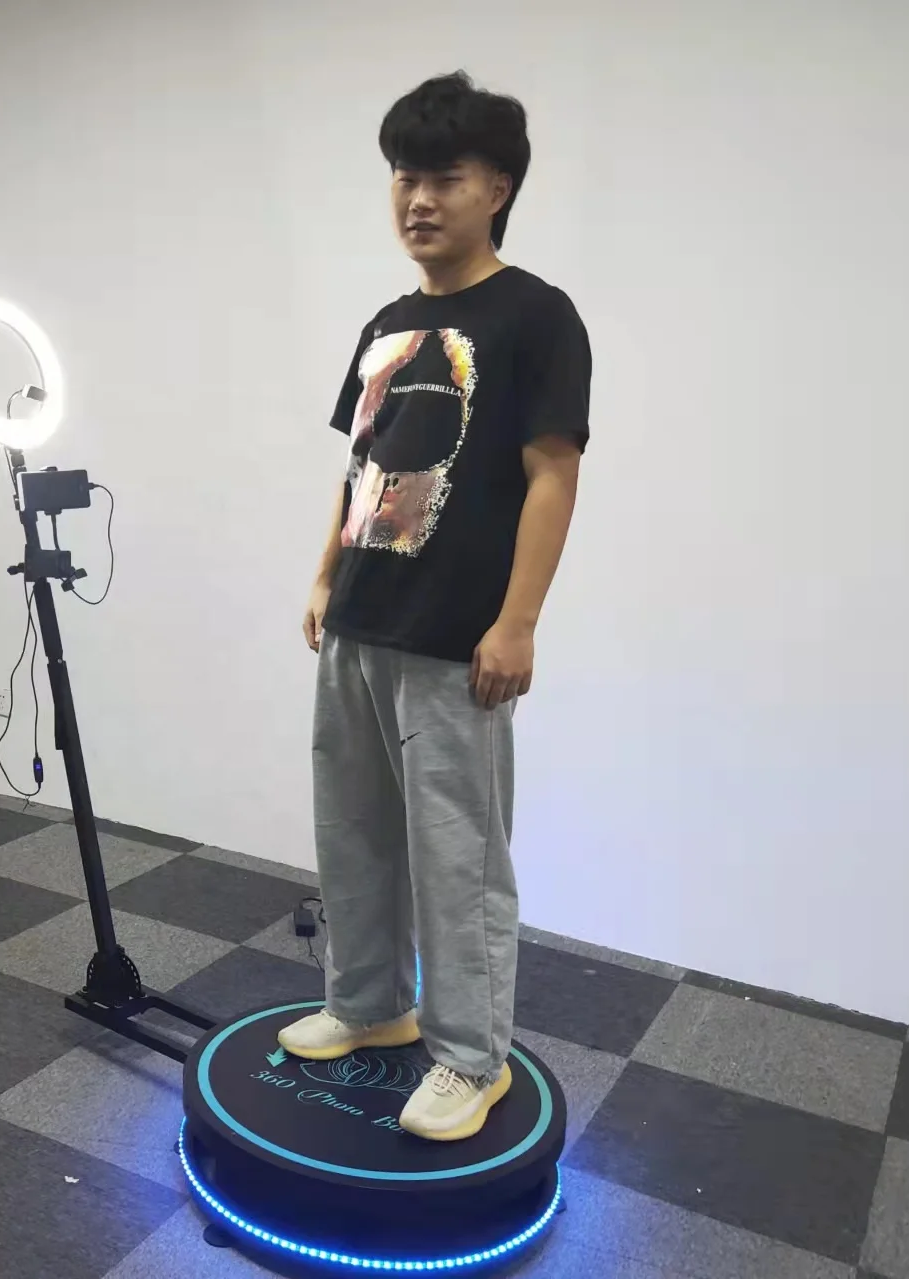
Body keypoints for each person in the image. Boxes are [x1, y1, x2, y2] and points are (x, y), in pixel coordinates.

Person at [277, 71, 591, 1143]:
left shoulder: (535, 316)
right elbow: (361, 463)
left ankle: (469, 1057)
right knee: (352, 832)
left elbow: (553, 472)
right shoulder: (387, 322)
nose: (417, 199)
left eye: (444, 177)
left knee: (459, 859)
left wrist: (518, 622)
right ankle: (369, 1003)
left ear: (496, 188)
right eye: (404, 177)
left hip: (457, 639)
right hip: (359, 622)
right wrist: (324, 574)